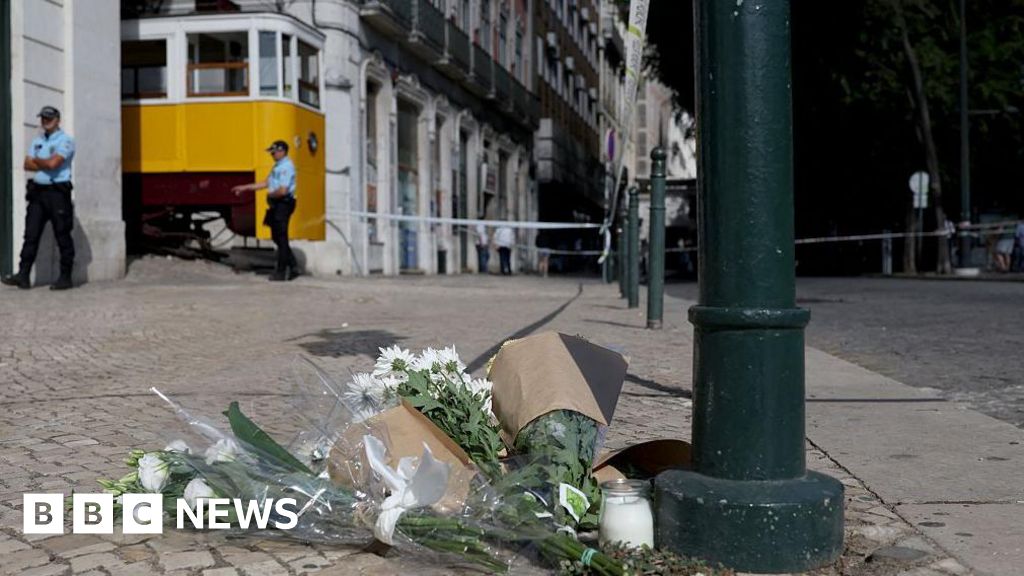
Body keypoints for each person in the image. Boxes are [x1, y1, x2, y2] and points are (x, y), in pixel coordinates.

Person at [2, 106, 76, 290]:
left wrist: (39, 162)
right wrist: (44, 163)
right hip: (38, 193)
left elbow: (54, 164)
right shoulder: (37, 140)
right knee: (31, 235)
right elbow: (26, 164)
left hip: (57, 193)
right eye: (43, 118)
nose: (45, 121)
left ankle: (65, 277)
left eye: (49, 118)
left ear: (58, 119)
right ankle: (23, 275)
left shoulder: (66, 140)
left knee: (62, 235)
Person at [232, 140, 299, 281]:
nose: (272, 155)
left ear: (282, 151)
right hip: (277, 205)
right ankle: (293, 266)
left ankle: (281, 272)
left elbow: (283, 191)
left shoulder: (286, 167)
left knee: (281, 237)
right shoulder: (277, 166)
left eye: (274, 152)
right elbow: (265, 183)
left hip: (283, 204)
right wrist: (244, 188)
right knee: (276, 236)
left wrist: (270, 195)